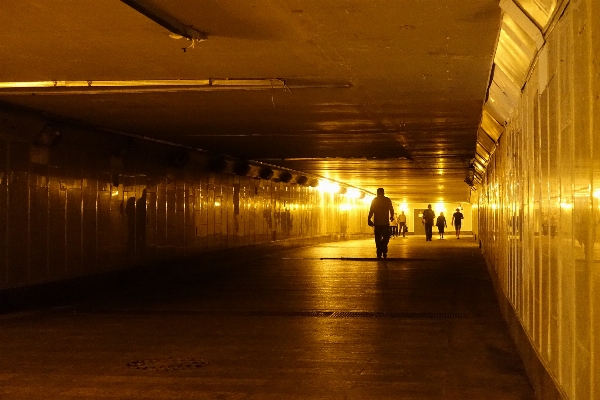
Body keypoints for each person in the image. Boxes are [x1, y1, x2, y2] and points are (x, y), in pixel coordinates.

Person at [368, 188, 395, 258]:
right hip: (385, 223)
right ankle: (384, 249)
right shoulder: (387, 200)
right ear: (383, 193)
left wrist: (369, 219)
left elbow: (371, 210)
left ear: (377, 193)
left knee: (377, 238)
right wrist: (392, 216)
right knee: (386, 237)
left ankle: (379, 251)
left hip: (377, 223)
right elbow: (391, 209)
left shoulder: (375, 200)